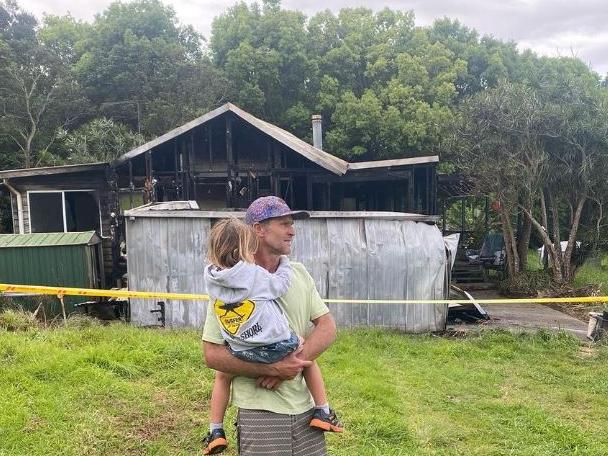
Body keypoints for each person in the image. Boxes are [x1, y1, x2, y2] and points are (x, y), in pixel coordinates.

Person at [202, 196, 338, 456]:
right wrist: (270, 366)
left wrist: (287, 367)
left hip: (308, 411)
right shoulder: (230, 283)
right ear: (259, 229)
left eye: (292, 223)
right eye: (284, 223)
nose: (292, 230)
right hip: (260, 413)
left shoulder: (298, 273)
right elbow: (212, 354)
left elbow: (327, 328)